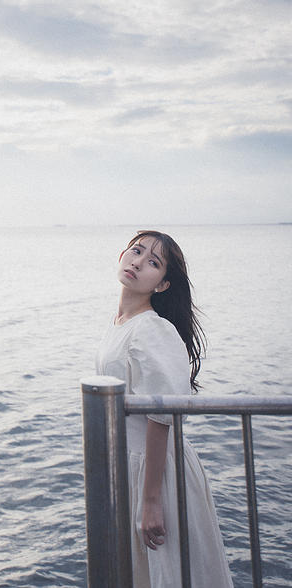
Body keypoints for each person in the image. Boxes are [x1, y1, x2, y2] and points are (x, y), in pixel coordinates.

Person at [95, 230, 233, 588]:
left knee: (168, 575)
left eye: (153, 262)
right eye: (136, 251)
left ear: (163, 284)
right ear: (121, 254)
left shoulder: (153, 329)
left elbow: (162, 412)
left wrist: (152, 499)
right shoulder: (121, 324)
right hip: (133, 467)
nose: (139, 262)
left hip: (156, 471)